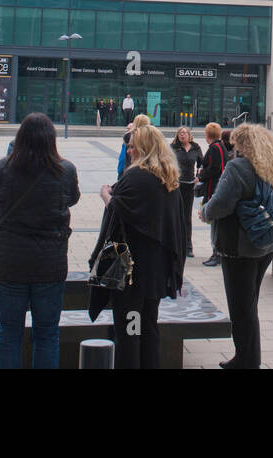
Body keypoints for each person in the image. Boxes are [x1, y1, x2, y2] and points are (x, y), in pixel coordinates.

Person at [0, 113, 80, 369]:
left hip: (9, 261)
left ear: (20, 137)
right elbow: (73, 198)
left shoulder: (0, 168)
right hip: (50, 262)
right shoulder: (65, 170)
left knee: (9, 334)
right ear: (51, 139)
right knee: (47, 334)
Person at [89, 122, 183, 369]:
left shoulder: (136, 177)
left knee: (130, 329)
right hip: (157, 270)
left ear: (143, 148)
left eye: (131, 147)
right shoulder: (168, 177)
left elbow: (120, 211)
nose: (128, 151)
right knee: (149, 326)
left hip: (133, 272)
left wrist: (106, 195)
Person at [201, 123, 273, 370]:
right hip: (266, 243)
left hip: (237, 247)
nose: (233, 149)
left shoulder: (237, 168)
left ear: (245, 145)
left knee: (241, 308)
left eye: (237, 144)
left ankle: (247, 360)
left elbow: (220, 205)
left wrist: (204, 212)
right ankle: (246, 356)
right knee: (249, 303)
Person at [197, 122, 232, 267]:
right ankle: (216, 253)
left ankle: (216, 253)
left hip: (214, 188)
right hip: (216, 187)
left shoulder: (215, 148)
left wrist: (201, 175)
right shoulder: (220, 146)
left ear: (208, 135)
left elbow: (214, 169)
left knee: (214, 223)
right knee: (215, 223)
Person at [170, 126, 204, 260]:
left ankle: (188, 247)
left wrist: (199, 176)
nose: (182, 135)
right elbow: (166, 162)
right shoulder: (173, 147)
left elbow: (202, 164)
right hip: (176, 185)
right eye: (180, 133)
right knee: (175, 215)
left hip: (189, 186)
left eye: (184, 133)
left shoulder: (195, 147)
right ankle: (175, 244)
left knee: (186, 216)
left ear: (189, 135)